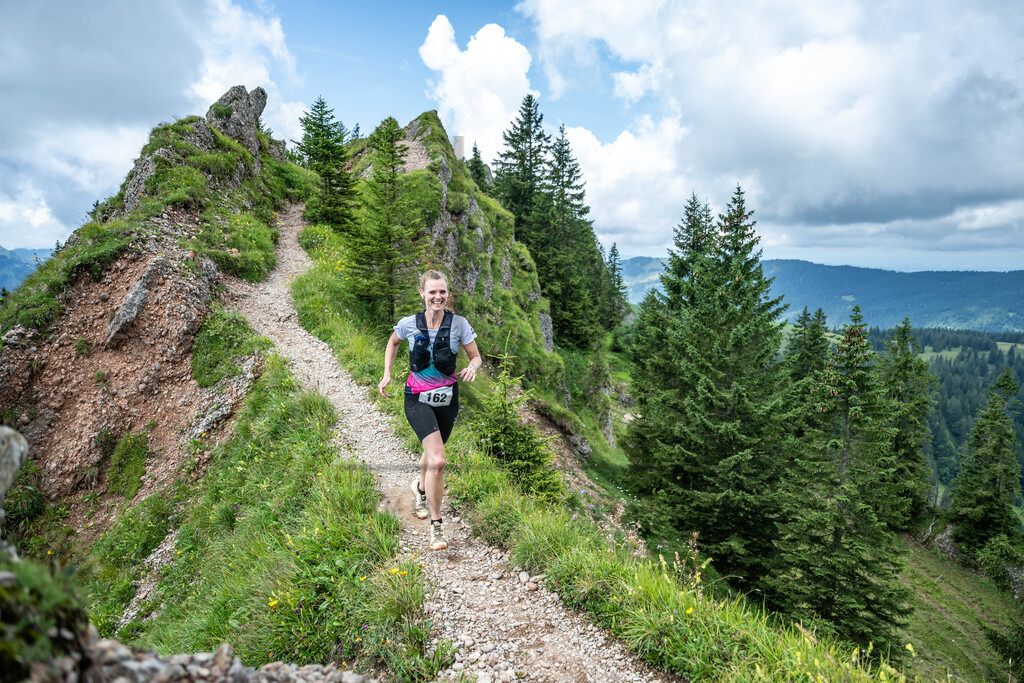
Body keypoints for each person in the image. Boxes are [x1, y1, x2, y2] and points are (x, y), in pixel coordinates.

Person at [378, 270, 482, 550]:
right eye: (432, 292)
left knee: (431, 453)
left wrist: (472, 367)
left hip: (447, 399)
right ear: (422, 294)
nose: (438, 297)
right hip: (417, 398)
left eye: (442, 292)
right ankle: (437, 526)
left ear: (448, 294)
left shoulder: (459, 324)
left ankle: (420, 489)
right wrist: (387, 373)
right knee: (438, 461)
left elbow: (475, 355)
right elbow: (393, 342)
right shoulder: (409, 323)